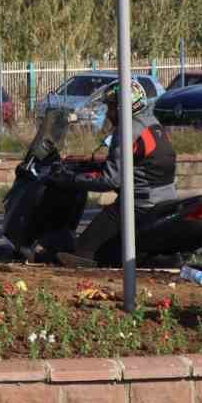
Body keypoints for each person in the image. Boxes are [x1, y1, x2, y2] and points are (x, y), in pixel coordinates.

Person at [50, 78, 177, 266]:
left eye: (110, 107)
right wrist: (89, 165)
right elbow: (134, 163)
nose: (108, 114)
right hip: (164, 200)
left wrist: (71, 179)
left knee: (82, 252)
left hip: (137, 205)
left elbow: (110, 181)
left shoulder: (126, 130)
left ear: (121, 107)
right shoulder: (152, 123)